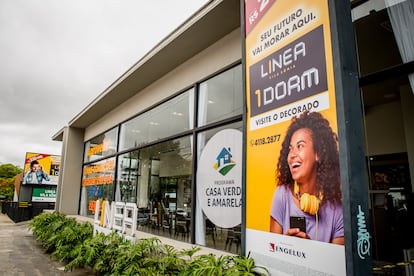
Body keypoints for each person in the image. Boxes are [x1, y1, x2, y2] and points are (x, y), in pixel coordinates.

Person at [269, 111, 344, 245]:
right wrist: (286, 247)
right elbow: (272, 250)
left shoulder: (337, 210)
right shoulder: (282, 195)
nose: (292, 155)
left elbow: (336, 264)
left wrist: (309, 251)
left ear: (318, 153)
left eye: (300, 146)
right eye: (290, 149)